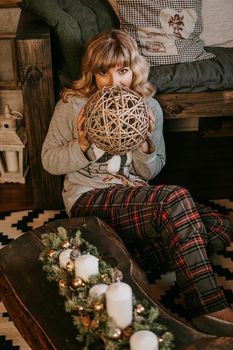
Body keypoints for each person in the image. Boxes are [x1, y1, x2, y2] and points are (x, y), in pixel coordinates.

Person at [41, 29, 233, 336]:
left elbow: (149, 173)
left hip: (134, 198)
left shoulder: (149, 107)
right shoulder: (74, 105)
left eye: (123, 71)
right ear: (93, 74)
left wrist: (145, 144)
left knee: (221, 227)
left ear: (135, 71)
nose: (114, 82)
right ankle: (207, 306)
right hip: (90, 197)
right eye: (103, 73)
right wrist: (82, 144)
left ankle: (119, 261)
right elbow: (49, 161)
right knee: (175, 200)